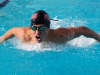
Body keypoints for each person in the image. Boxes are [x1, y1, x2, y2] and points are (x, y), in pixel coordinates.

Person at [0, 10, 100, 44]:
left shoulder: (60, 36)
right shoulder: (24, 35)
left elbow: (82, 29)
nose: (37, 32)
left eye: (42, 28)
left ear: (48, 29)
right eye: (34, 28)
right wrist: (2, 39)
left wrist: (97, 37)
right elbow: (13, 30)